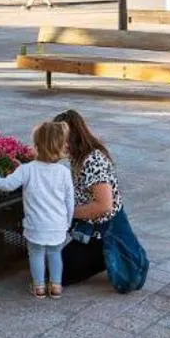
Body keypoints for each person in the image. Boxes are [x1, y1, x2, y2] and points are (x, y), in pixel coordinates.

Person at [0, 120, 76, 298]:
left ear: (36, 145)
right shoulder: (64, 172)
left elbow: (7, 185)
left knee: (36, 253)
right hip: (57, 225)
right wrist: (67, 221)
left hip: (35, 226)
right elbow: (69, 201)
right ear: (61, 147)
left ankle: (39, 287)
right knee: (55, 253)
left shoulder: (27, 170)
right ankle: (56, 286)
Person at [56, 109, 119, 286]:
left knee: (54, 274)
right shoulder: (78, 155)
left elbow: (104, 206)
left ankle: (104, 256)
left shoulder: (93, 160)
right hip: (85, 227)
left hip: (98, 233)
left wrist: (67, 213)